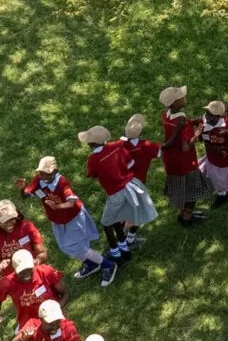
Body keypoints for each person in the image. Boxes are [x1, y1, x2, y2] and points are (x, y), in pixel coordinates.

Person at [15, 156, 117, 285]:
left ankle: (108, 265)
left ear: (54, 171)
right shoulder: (38, 180)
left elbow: (71, 203)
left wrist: (56, 206)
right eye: (40, 172)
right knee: (66, 247)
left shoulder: (62, 182)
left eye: (46, 172)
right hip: (57, 220)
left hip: (73, 218)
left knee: (79, 248)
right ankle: (91, 264)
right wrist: (21, 189)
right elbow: (26, 196)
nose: (43, 175)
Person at [78, 125, 158, 262]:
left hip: (116, 192)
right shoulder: (116, 146)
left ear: (91, 144)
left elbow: (92, 175)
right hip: (131, 185)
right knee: (117, 218)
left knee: (106, 223)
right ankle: (124, 247)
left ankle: (116, 253)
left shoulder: (93, 159)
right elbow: (130, 163)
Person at [159, 85, 213, 226]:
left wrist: (193, 121)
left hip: (171, 161)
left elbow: (179, 126)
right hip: (186, 163)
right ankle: (187, 217)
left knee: (180, 188)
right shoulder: (184, 124)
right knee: (191, 190)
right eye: (181, 97)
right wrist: (196, 134)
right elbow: (185, 147)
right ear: (174, 103)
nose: (184, 97)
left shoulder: (165, 115)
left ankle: (182, 212)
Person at [197, 101, 228, 211]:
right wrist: (200, 135)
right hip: (212, 157)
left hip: (227, 157)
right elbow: (201, 134)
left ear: (220, 116)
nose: (208, 117)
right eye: (208, 113)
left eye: (212, 115)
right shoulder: (204, 121)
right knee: (214, 178)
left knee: (226, 180)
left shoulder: (227, 123)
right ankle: (222, 195)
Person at [0, 199, 46, 276]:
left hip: (32, 270)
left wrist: (37, 261)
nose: (10, 223)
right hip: (11, 276)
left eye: (12, 219)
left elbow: (42, 253)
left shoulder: (27, 227)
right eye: (5, 221)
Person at [121, 114, 161, 187]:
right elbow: (162, 152)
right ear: (141, 132)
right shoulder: (147, 146)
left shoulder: (117, 147)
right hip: (140, 184)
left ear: (125, 130)